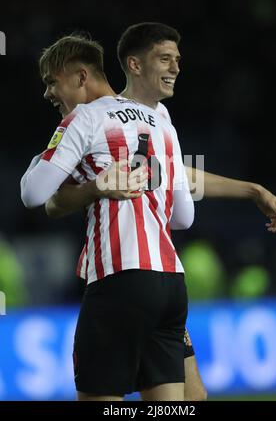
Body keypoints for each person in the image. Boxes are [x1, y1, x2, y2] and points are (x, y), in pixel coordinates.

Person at [44, 23, 276, 401]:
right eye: (165, 59)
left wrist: (250, 189)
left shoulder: (151, 120)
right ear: (135, 65)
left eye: (177, 60)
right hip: (164, 281)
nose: (175, 67)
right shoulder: (116, 122)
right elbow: (180, 183)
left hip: (135, 278)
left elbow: (180, 176)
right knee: (192, 397)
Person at [21, 33, 195, 401]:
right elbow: (185, 215)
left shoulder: (85, 118)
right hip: (170, 283)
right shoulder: (160, 117)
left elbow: (33, 193)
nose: (48, 94)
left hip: (119, 279)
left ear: (82, 77)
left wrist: (53, 166)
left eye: (52, 82)